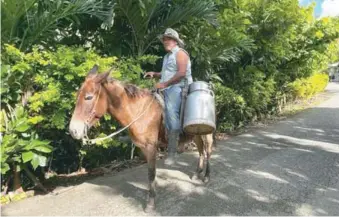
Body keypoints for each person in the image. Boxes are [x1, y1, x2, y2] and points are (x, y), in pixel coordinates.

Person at [144, 28, 193, 165]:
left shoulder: (180, 53)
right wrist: (155, 74)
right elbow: (167, 73)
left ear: (175, 41)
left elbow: (181, 73)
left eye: (168, 39)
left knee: (171, 112)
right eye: (164, 39)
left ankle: (172, 151)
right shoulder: (167, 57)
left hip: (179, 87)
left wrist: (164, 84)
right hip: (168, 86)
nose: (165, 41)